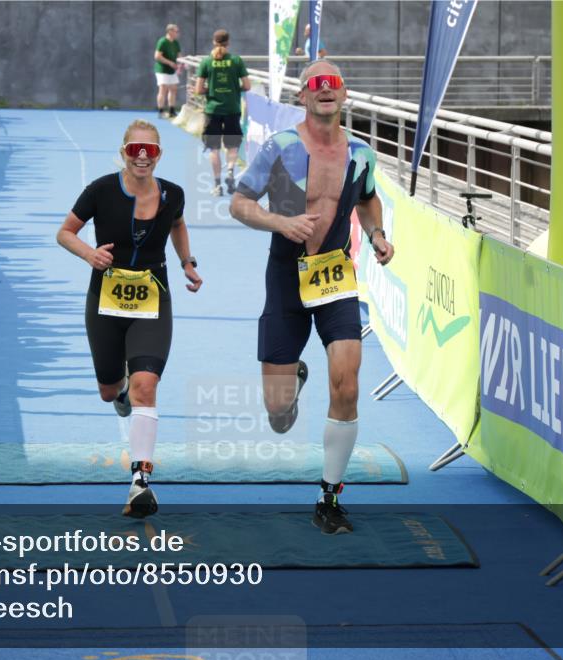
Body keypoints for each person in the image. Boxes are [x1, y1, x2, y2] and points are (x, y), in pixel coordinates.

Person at [229, 60, 394, 535]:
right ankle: (292, 382)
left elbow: (366, 198)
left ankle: (329, 496)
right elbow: (239, 202)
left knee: (347, 383)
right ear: (302, 96)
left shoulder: (362, 153)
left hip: (335, 277)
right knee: (278, 413)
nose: (326, 91)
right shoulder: (280, 146)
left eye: (334, 84)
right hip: (286, 276)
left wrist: (378, 234)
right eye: (316, 85)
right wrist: (280, 222)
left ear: (345, 97)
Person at [57, 119, 202, 518]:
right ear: (123, 152)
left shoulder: (173, 193)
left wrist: (187, 262)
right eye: (135, 149)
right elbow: (65, 232)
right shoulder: (101, 190)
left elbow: (177, 223)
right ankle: (119, 395)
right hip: (105, 297)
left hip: (152, 299)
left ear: (159, 155)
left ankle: (140, 481)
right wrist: (89, 254)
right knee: (111, 390)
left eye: (150, 150)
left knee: (145, 384)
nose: (142, 155)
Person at [195, 29, 250, 196]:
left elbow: (198, 89)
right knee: (232, 146)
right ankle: (231, 171)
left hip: (213, 111)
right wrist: (233, 89)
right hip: (232, 109)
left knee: (214, 149)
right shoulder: (236, 61)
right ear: (228, 42)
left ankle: (217, 185)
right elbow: (247, 86)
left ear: (214, 42)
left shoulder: (206, 62)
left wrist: (210, 90)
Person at [154, 24, 182, 118]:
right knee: (163, 89)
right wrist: (170, 63)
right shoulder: (162, 41)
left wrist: (181, 64)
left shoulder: (176, 42)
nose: (178, 33)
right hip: (162, 70)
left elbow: (179, 56)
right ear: (170, 31)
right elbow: (157, 56)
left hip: (172, 71)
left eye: (178, 31)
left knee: (173, 89)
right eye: (176, 31)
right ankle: (161, 111)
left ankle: (171, 111)